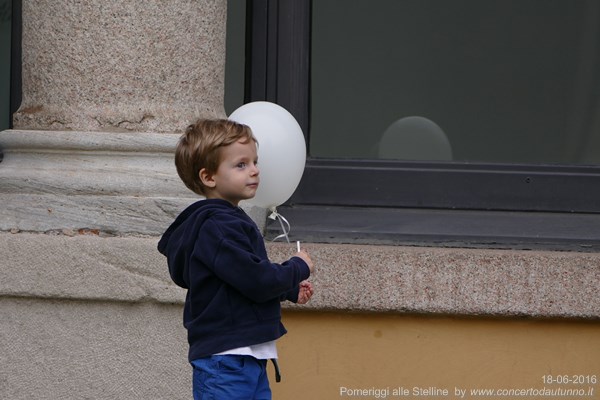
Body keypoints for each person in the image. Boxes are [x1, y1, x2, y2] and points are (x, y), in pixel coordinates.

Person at [157, 118, 315, 400]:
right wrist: (298, 267)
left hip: (246, 356)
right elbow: (257, 280)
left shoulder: (228, 221)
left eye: (255, 161)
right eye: (241, 165)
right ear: (209, 177)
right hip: (226, 362)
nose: (254, 171)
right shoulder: (217, 227)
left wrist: (289, 290)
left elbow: (237, 283)